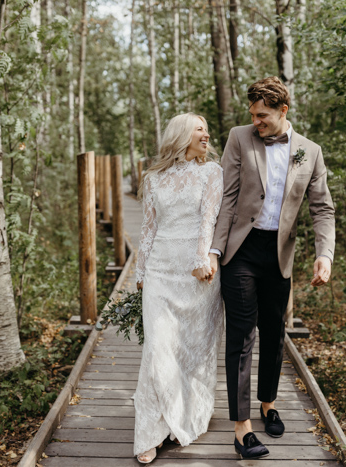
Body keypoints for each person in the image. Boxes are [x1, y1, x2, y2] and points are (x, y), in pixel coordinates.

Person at [209, 76, 336, 459]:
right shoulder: (239, 137)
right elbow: (227, 198)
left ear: (283, 111)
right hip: (241, 251)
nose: (255, 121)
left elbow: (322, 209)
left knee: (274, 332)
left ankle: (268, 403)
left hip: (279, 255)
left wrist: (324, 254)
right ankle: (241, 427)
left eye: (262, 115)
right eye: (252, 114)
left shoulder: (310, 152)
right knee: (242, 335)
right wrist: (214, 252)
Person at [133, 113, 224, 464]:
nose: (206, 134)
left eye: (205, 128)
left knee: (193, 348)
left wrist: (203, 259)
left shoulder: (211, 172)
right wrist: (141, 270)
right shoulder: (154, 178)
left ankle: (182, 416)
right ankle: (149, 432)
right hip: (159, 270)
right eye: (199, 129)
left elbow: (208, 217)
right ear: (182, 134)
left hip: (196, 274)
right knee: (158, 348)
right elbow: (148, 228)